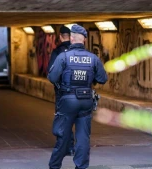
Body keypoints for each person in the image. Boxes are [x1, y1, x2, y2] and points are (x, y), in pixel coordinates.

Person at [47, 24, 108, 169]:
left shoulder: (64, 56)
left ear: (72, 38)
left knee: (63, 136)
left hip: (67, 101)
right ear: (84, 40)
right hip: (86, 100)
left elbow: (52, 77)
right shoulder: (93, 58)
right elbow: (102, 79)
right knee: (83, 139)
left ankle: (54, 166)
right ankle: (81, 167)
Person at [47, 25, 75, 156]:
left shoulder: (57, 52)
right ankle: (76, 147)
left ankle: (65, 147)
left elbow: (51, 73)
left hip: (63, 92)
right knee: (78, 120)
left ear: (59, 37)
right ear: (71, 37)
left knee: (62, 119)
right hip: (79, 93)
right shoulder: (79, 52)